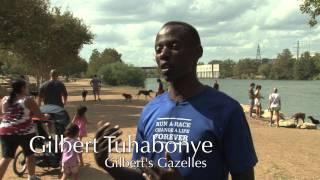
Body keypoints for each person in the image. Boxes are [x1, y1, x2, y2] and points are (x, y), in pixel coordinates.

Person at [94, 21, 257, 180]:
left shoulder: (227, 110)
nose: (163, 54)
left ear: (197, 52)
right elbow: (141, 173)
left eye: (174, 46)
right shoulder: (150, 110)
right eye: (158, 49)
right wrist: (107, 164)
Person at [0, 79, 47, 180]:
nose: (27, 89)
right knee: (30, 154)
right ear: (22, 88)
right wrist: (46, 117)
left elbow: (3, 114)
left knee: (6, 158)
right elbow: (39, 115)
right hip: (25, 132)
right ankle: (31, 176)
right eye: (26, 87)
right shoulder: (28, 99)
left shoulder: (4, 99)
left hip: (5, 131)